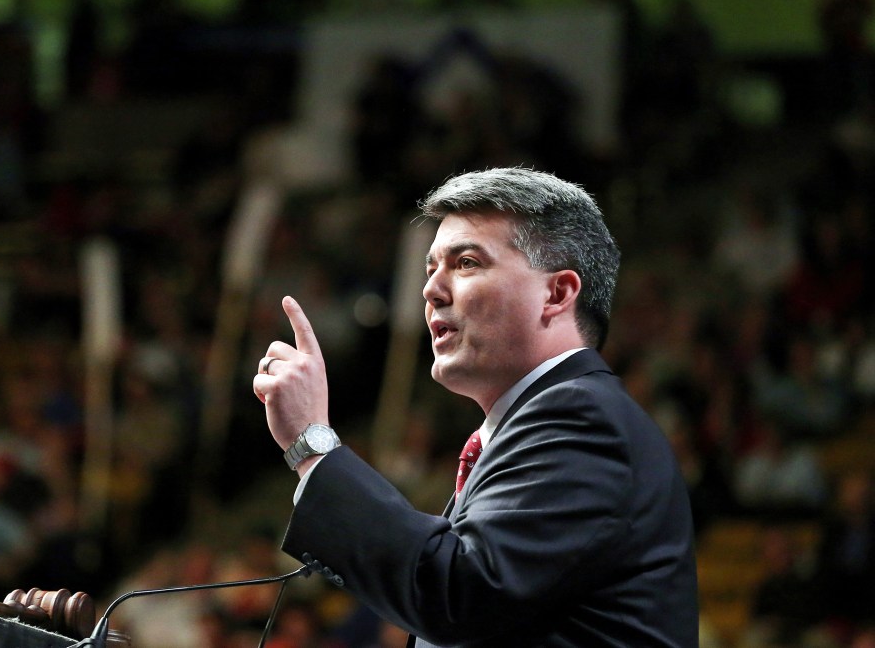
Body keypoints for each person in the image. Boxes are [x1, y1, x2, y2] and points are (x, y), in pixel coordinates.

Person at [252, 168, 698, 647]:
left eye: (465, 263)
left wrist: (313, 447)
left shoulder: (581, 416)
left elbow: (457, 595)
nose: (431, 290)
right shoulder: (541, 422)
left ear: (557, 293)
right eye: (430, 269)